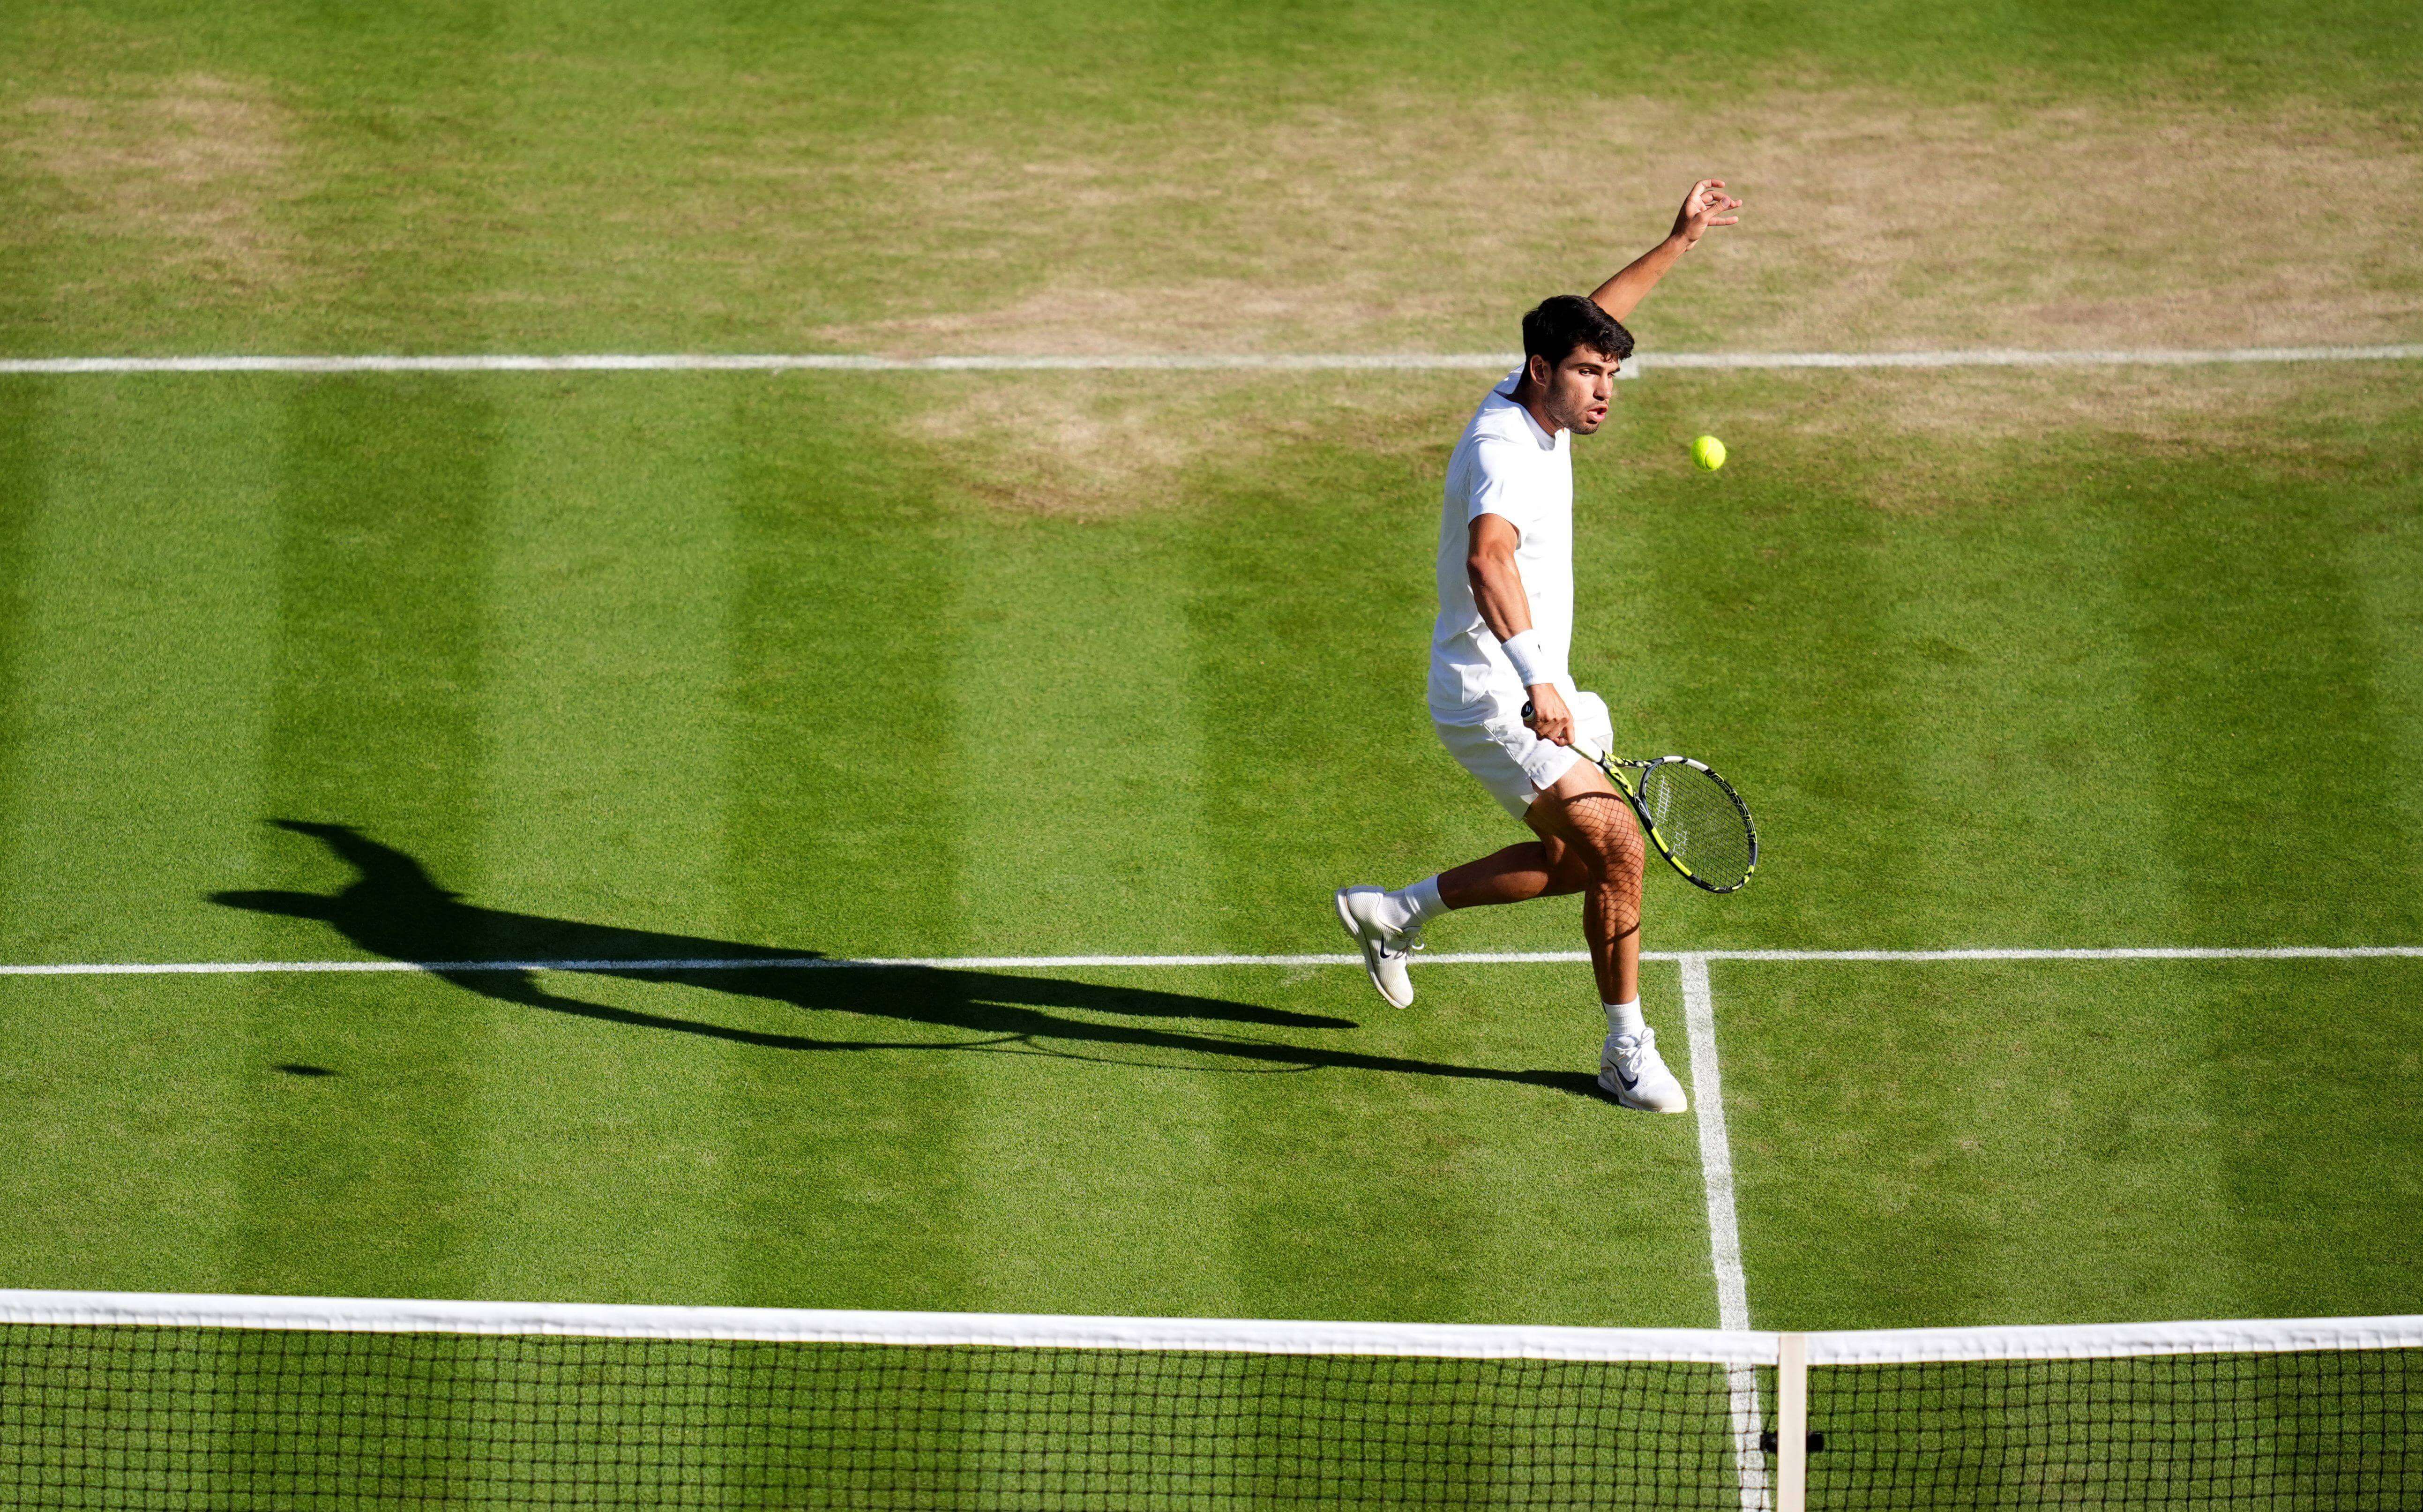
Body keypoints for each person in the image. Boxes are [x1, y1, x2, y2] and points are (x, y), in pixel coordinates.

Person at [1336, 180, 1743, 1113]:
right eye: (1588, 374)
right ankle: (1624, 1051)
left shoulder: (1538, 396)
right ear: (1538, 368)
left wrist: (1677, 241)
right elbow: (1487, 559)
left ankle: (1393, 912)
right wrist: (1536, 681)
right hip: (1493, 695)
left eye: (1611, 375)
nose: (1603, 392)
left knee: (1580, 862)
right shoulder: (1503, 452)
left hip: (1535, 683)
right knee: (1621, 850)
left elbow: (1598, 312)